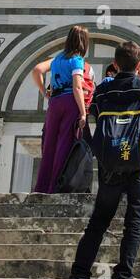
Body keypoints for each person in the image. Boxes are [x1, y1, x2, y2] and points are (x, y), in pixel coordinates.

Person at [52, 41, 140, 279]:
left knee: (99, 222)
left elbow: (94, 114)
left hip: (111, 165)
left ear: (116, 64)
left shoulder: (103, 91)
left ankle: (78, 276)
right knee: (134, 222)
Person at [31, 26, 89, 194]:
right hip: (70, 102)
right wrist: (83, 113)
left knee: (49, 144)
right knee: (64, 143)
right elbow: (77, 87)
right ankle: (55, 186)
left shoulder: (57, 59)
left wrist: (45, 92)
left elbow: (37, 70)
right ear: (84, 42)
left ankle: (41, 186)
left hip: (54, 103)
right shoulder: (77, 60)